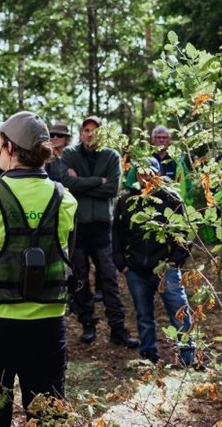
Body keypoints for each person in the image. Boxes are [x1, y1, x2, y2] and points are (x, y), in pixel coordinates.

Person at [0, 111, 78, 426]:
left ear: (8, 147)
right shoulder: (66, 199)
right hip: (47, 325)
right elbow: (66, 254)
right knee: (48, 415)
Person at [61, 116, 139, 348]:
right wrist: (98, 181)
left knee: (109, 279)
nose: (89, 134)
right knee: (80, 278)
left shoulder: (111, 156)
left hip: (103, 228)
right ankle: (88, 324)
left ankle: (118, 328)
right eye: (86, 130)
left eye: (94, 131)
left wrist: (82, 183)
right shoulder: (69, 154)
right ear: (81, 132)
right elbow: (66, 183)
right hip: (78, 227)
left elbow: (112, 189)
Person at [114, 157, 196, 366]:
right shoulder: (126, 200)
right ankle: (148, 355)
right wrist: (121, 263)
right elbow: (117, 234)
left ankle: (188, 357)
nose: (145, 177)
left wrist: (175, 261)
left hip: (165, 268)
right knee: (143, 315)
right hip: (136, 269)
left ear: (157, 173)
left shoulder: (171, 198)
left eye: (150, 172)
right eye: (141, 173)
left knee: (180, 312)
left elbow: (185, 232)